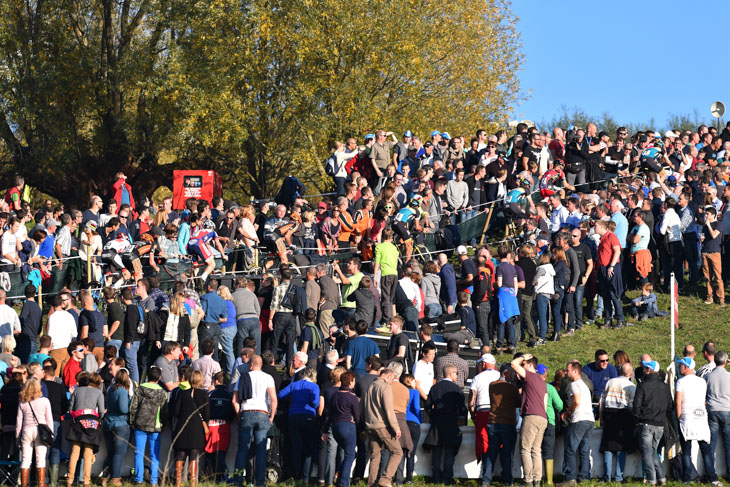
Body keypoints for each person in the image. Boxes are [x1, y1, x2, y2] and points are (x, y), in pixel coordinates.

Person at [233, 355, 277, 487]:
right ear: (261, 365)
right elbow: (273, 399)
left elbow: (234, 400)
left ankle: (238, 481)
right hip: (262, 413)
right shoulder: (268, 377)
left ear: (251, 365)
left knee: (242, 450)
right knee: (261, 450)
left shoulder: (243, 377)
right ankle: (260, 482)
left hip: (246, 412)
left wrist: (238, 415)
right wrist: (271, 417)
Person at [676, 356, 719, 486]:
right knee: (706, 451)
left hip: (686, 419)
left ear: (686, 367)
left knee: (686, 452)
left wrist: (679, 417)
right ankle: (713, 478)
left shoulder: (681, 382)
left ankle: (686, 479)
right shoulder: (702, 381)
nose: (679, 367)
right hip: (701, 418)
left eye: (681, 365)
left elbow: (678, 401)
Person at [511, 353, 549, 487]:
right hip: (542, 417)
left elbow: (513, 364)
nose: (522, 366)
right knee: (536, 450)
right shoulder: (542, 381)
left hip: (531, 415)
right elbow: (545, 402)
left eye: (524, 365)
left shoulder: (530, 376)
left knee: (525, 449)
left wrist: (522, 357)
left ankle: (527, 480)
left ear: (530, 365)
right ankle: (537, 480)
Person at [278, 367, 320, 483]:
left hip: (294, 417)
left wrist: (292, 398)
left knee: (296, 447)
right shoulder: (314, 387)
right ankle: (306, 478)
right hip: (308, 417)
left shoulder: (294, 385)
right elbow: (315, 403)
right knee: (308, 449)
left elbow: (280, 395)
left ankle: (296, 476)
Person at [426, 363, 466, 484]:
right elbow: (462, 408)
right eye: (456, 373)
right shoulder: (456, 389)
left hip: (437, 421)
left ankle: (436, 478)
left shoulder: (435, 388)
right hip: (451, 423)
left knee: (437, 451)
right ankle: (447, 478)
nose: (457, 376)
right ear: (450, 373)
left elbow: (428, 405)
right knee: (449, 451)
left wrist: (433, 415)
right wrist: (460, 418)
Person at [362, 368, 402, 487]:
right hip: (382, 426)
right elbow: (389, 410)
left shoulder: (369, 387)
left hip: (370, 426)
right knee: (397, 452)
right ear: (388, 376)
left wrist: (363, 428)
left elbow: (362, 408)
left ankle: (371, 484)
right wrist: (396, 428)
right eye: (392, 379)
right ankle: (386, 478)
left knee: (375, 455)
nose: (391, 382)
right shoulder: (385, 387)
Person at [481, 363, 519, 487]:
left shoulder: (492, 385)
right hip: (508, 422)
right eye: (512, 372)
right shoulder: (511, 388)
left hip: (493, 422)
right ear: (506, 372)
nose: (514, 375)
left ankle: (486, 479)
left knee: (491, 452)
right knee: (507, 453)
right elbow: (518, 402)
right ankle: (507, 479)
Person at [130, 366, 169, 486]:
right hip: (155, 426)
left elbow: (133, 407)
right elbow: (165, 411)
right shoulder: (162, 393)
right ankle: (154, 480)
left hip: (140, 425)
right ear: (160, 378)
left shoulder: (140, 389)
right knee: (154, 454)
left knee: (139, 453)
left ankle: (139, 479)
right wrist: (165, 424)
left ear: (148, 376)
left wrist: (132, 421)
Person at [558, 361, 594, 487]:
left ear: (575, 371)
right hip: (589, 420)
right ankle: (583, 477)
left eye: (567, 371)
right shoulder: (584, 385)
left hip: (578, 419)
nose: (566, 373)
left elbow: (576, 401)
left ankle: (570, 478)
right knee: (584, 450)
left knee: (570, 449)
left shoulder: (574, 384)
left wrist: (567, 413)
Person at [599, 362, 636, 483]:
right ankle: (619, 477)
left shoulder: (610, 382)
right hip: (624, 415)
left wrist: (601, 417)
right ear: (630, 373)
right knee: (621, 447)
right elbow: (631, 406)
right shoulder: (631, 386)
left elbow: (602, 401)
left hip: (609, 414)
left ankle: (607, 476)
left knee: (608, 447)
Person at [172, 370, 210, 487]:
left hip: (182, 427)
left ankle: (178, 482)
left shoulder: (182, 393)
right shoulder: (204, 394)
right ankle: (192, 482)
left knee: (180, 454)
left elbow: (176, 411)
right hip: (196, 429)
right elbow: (207, 415)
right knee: (194, 455)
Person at [66, 372, 105, 487]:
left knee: (74, 452)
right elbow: (101, 412)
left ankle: (69, 480)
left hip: (77, 423)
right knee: (88, 454)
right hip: (91, 425)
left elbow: (70, 408)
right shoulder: (99, 393)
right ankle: (86, 482)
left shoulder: (77, 390)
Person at [16, 378, 53, 487]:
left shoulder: (22, 402)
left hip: (26, 430)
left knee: (26, 459)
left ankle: (24, 484)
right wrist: (51, 434)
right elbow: (49, 419)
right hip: (41, 431)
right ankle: (41, 484)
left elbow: (19, 422)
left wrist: (17, 437)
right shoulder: (45, 401)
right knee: (40, 459)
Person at [326, 370, 360, 487]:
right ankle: (343, 483)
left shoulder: (335, 395)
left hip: (335, 427)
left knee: (350, 454)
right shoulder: (352, 396)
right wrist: (358, 426)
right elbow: (357, 416)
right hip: (347, 426)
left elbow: (329, 415)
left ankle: (338, 475)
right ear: (350, 382)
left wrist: (325, 431)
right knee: (350, 455)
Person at [102, 368, 131, 487]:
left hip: (108, 423)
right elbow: (123, 409)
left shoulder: (110, 390)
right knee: (118, 453)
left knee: (110, 452)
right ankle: (116, 479)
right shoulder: (122, 391)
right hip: (120, 424)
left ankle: (105, 478)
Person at [706, 350, 730, 483]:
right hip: (727, 410)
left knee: (711, 445)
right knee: (728, 444)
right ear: (726, 362)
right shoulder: (729, 376)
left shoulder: (708, 376)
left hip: (712, 410)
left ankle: (711, 474)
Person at [199, 278, 227, 362]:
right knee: (214, 350)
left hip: (207, 326)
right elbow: (225, 318)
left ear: (208, 287)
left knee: (203, 349)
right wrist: (215, 318)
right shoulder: (222, 300)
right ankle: (216, 371)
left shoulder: (205, 297)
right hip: (217, 327)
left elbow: (202, 312)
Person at [232, 276, 261, 355]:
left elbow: (231, 311)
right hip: (255, 319)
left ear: (237, 285)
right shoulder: (252, 294)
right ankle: (256, 363)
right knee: (256, 345)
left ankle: (240, 363)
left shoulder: (233, 296)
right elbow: (258, 309)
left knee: (241, 345)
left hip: (242, 320)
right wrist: (256, 317)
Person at [17, 284, 42, 364]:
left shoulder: (27, 306)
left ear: (25, 294)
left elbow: (22, 319)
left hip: (26, 341)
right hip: (34, 340)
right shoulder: (38, 308)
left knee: (24, 366)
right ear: (35, 294)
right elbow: (40, 327)